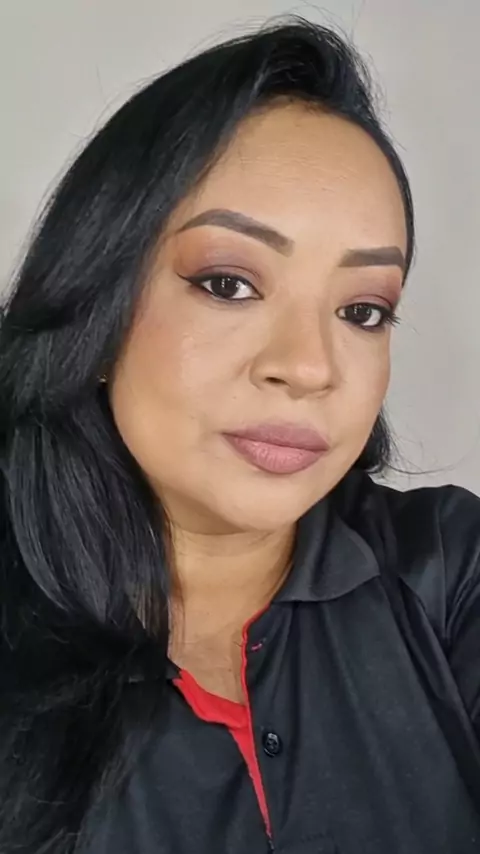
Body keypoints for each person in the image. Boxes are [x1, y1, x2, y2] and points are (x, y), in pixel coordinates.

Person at [0, 15, 479, 854]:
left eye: (363, 310)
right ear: (98, 309)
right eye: (228, 283)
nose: (310, 366)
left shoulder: (449, 568)